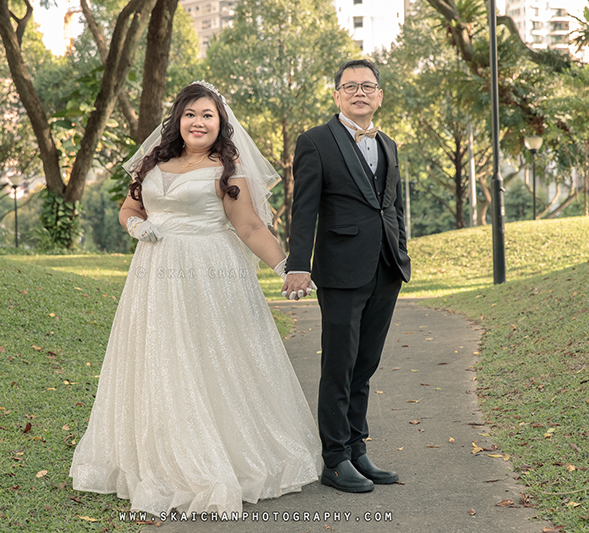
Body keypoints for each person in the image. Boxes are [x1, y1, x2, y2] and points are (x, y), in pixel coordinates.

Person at [69, 81, 322, 516]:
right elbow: (129, 209)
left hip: (210, 272)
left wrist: (287, 268)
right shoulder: (153, 162)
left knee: (211, 357)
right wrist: (136, 227)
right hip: (153, 275)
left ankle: (221, 453)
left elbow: (250, 227)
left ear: (220, 123)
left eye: (207, 115)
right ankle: (161, 451)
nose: (198, 122)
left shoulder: (228, 167)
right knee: (161, 358)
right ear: (178, 119)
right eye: (190, 114)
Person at [282, 59, 411, 493]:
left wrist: (401, 252)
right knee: (339, 365)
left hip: (386, 268)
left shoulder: (388, 144)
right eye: (350, 86)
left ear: (379, 96)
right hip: (340, 270)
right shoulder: (316, 141)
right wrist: (298, 265)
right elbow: (304, 209)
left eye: (368, 86)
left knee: (365, 365)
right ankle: (334, 458)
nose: (360, 92)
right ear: (337, 95)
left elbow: (392, 205)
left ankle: (357, 448)